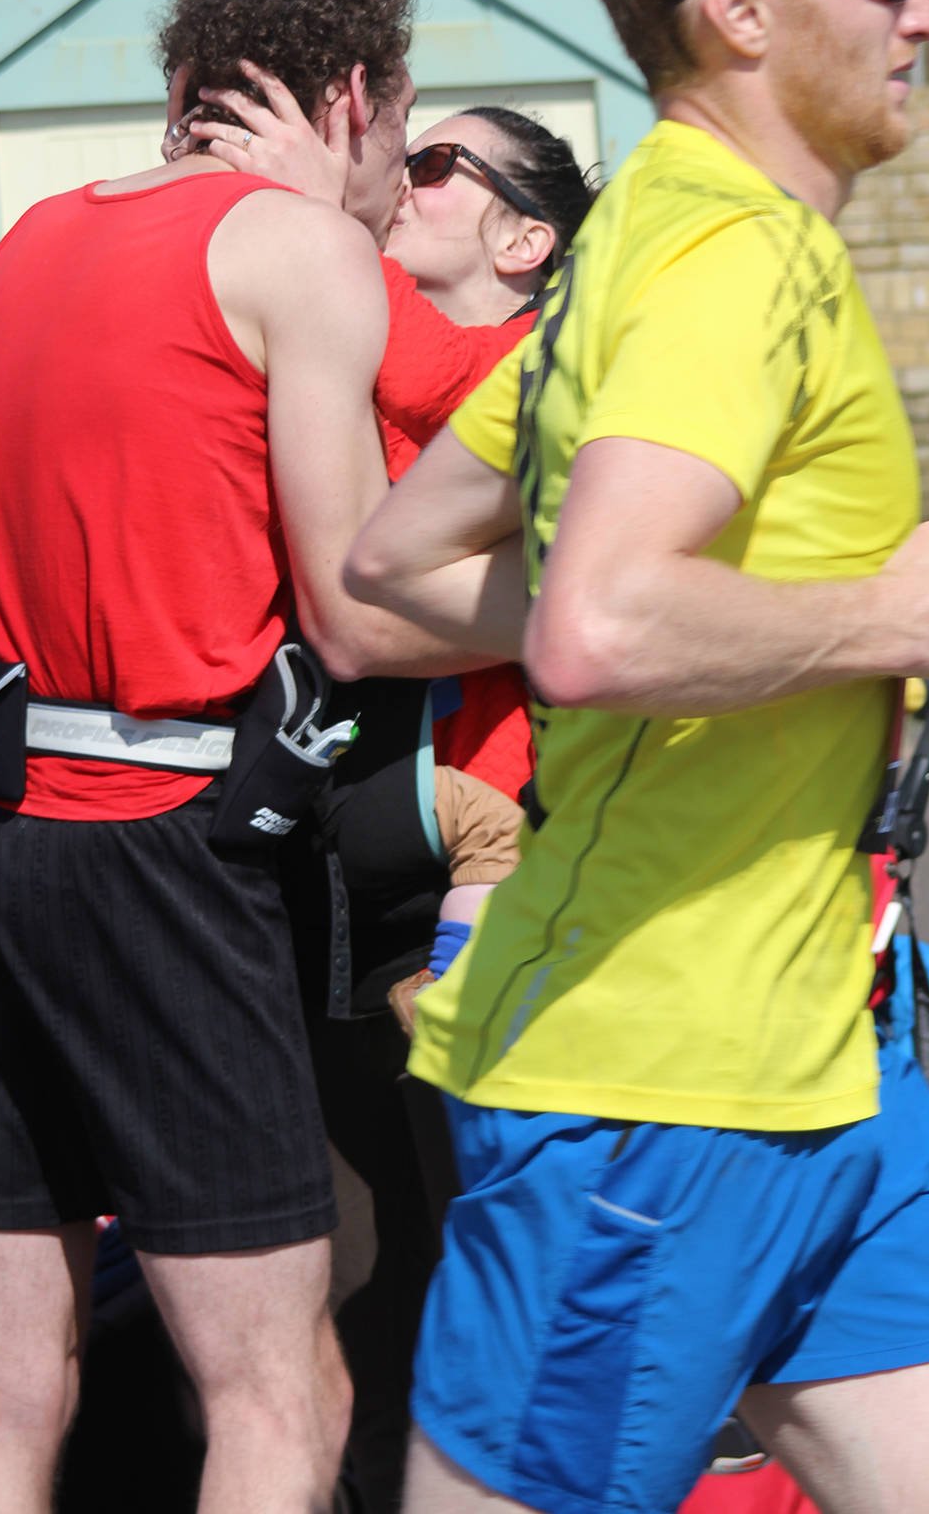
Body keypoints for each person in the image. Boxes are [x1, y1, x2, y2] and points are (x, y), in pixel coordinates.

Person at [344, 0, 929, 1514]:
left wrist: (685, 614)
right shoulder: (724, 264)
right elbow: (594, 624)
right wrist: (893, 619)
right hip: (654, 1103)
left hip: (838, 1069)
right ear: (739, 7)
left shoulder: (653, 246)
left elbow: (388, 570)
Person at [0, 0, 521, 1514]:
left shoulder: (24, 240)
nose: (400, 183)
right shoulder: (292, 254)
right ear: (355, 99)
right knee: (276, 1386)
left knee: (6, 1371)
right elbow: (357, 610)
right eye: (409, 140)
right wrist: (579, 615)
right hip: (146, 855)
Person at [172, 78, 596, 1510]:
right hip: (325, 875)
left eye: (431, 163)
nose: (394, 180)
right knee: (354, 1256)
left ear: (526, 242)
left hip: (491, 874)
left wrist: (317, 225)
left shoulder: (558, 360)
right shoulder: (359, 347)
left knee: (486, 1237)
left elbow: (471, 404)